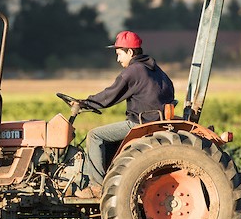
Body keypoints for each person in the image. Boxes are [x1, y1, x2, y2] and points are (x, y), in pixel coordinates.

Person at [73, 30, 174, 199]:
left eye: (119, 54)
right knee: (109, 142)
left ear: (130, 52)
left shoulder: (134, 71)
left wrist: (85, 103)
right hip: (156, 120)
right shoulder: (156, 70)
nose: (118, 59)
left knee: (95, 135)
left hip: (141, 123)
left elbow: (110, 95)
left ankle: (96, 186)